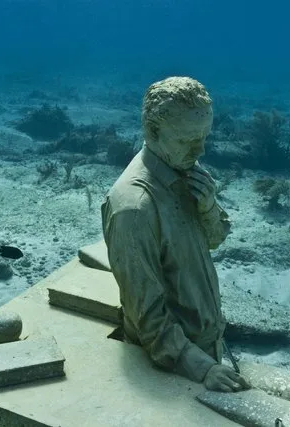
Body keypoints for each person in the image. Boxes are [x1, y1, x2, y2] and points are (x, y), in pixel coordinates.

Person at [101, 76, 250, 392]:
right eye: (188, 140)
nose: (200, 150)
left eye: (204, 137)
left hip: (201, 347)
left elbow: (213, 240)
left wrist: (208, 207)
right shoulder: (134, 209)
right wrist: (201, 368)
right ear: (152, 131)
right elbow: (148, 317)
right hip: (171, 363)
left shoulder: (183, 169)